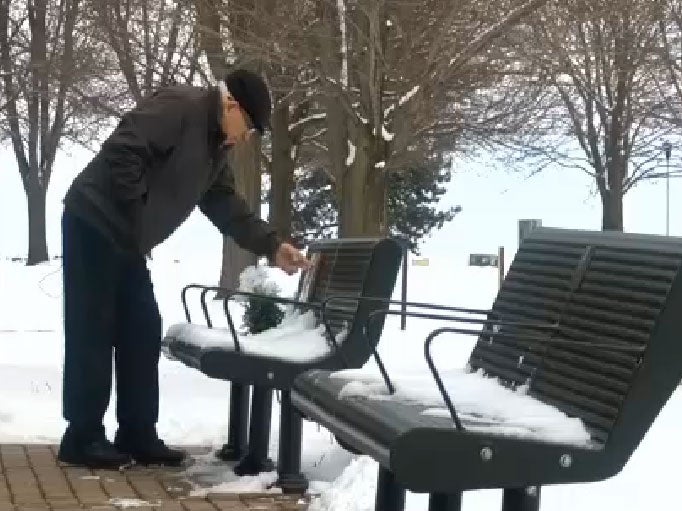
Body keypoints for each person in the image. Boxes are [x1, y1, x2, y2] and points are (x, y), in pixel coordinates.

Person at [57, 69, 311, 469]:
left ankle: (137, 433)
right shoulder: (181, 106)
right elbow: (125, 150)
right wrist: (136, 213)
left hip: (127, 240)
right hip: (95, 222)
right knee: (93, 328)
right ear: (231, 105)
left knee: (141, 329)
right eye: (248, 127)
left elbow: (226, 204)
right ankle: (81, 436)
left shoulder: (215, 148)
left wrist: (273, 246)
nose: (246, 138)